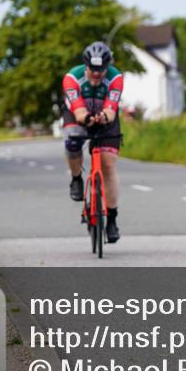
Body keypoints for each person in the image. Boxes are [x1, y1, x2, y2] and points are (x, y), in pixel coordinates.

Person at [61, 41, 124, 243]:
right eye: (92, 69)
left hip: (105, 117)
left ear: (107, 66)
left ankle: (112, 219)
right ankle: (76, 178)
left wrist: (104, 117)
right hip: (78, 114)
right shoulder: (72, 78)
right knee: (72, 140)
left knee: (108, 164)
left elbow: (111, 110)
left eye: (101, 70)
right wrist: (87, 118)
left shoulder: (115, 78)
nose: (96, 74)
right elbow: (79, 111)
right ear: (85, 65)